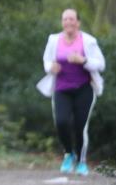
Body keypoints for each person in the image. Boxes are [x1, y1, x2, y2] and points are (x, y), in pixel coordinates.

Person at [40, 9, 105, 176]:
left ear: (78, 22)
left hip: (84, 89)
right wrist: (50, 68)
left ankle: (81, 162)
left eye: (71, 19)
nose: (68, 22)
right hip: (61, 89)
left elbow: (101, 64)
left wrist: (83, 60)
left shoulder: (88, 41)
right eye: (65, 19)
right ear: (62, 22)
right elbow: (47, 60)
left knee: (80, 126)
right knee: (61, 122)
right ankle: (69, 153)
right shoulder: (54, 40)